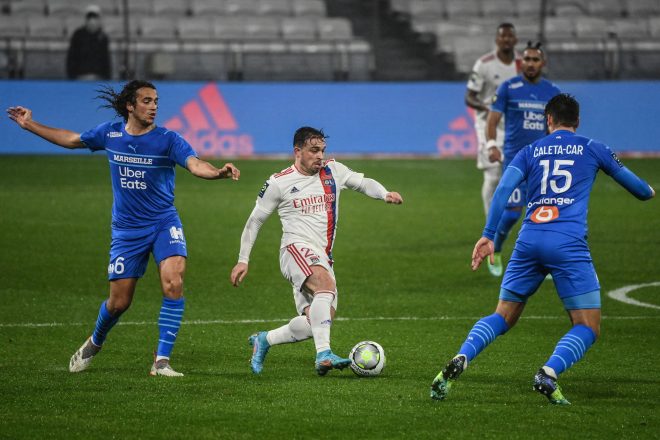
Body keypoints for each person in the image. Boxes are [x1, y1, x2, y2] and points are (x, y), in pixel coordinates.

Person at [430, 93, 655, 404]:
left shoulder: (530, 150)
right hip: (567, 243)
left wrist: (489, 235)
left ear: (548, 120)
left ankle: (462, 356)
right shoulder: (593, 147)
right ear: (577, 121)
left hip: (529, 240)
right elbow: (642, 192)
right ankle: (548, 373)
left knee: (503, 316)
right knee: (587, 325)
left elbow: (503, 190)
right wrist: (650, 189)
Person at [6, 80, 241, 377]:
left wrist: (218, 172)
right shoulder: (110, 134)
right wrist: (29, 124)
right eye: (146, 101)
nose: (153, 107)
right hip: (127, 231)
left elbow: (195, 164)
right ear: (130, 106)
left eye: (156, 101)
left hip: (163, 223)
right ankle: (95, 341)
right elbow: (72, 139)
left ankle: (161, 361)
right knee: (119, 303)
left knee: (174, 281)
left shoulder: (168, 139)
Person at [230, 127, 403, 376]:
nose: (320, 156)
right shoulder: (279, 182)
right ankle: (324, 354)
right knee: (325, 285)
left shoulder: (333, 171)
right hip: (294, 249)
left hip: (323, 256)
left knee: (318, 321)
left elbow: (363, 183)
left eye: (322, 150)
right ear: (297, 151)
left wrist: (384, 194)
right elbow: (255, 221)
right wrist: (242, 260)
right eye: (313, 150)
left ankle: (265, 339)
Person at [484, 42, 561, 277]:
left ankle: (544, 262)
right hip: (516, 160)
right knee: (511, 214)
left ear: (543, 63)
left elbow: (557, 127)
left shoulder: (553, 92)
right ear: (521, 62)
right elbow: (492, 120)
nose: (530, 64)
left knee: (545, 215)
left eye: (535, 60)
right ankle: (496, 250)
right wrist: (491, 145)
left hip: (543, 162)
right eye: (527, 59)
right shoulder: (509, 87)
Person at [465, 23, 521, 218]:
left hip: (514, 124)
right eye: (502, 36)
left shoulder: (522, 64)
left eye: (509, 36)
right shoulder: (484, 64)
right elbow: (469, 97)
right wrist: (487, 108)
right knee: (494, 174)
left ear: (515, 39)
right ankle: (492, 224)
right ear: (497, 40)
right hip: (488, 124)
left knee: (518, 172)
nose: (506, 39)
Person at [66, 4, 111, 80]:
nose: (92, 20)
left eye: (95, 17)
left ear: (99, 20)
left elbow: (106, 60)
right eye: (89, 17)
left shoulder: (103, 37)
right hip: (80, 78)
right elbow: (71, 57)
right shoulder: (78, 35)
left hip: (98, 79)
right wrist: (72, 77)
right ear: (86, 19)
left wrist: (107, 79)